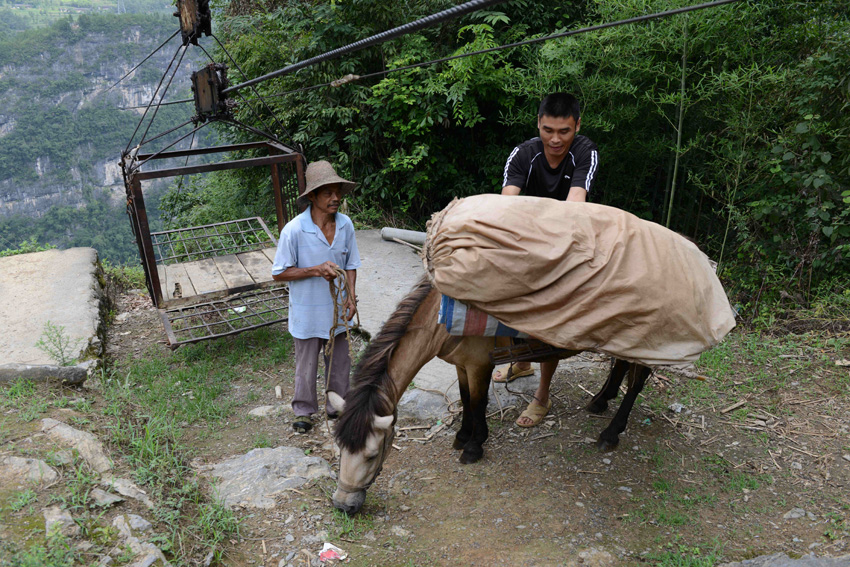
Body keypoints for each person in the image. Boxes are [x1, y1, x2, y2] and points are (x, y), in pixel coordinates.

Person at [493, 92, 599, 428]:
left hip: (571, 239)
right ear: (538, 123)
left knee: (551, 317)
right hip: (527, 239)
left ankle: (543, 395)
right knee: (505, 292)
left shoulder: (585, 152)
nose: (555, 139)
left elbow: (575, 205)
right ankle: (520, 362)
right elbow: (506, 206)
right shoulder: (524, 154)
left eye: (564, 131)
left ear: (577, 126)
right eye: (548, 129)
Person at [272, 160, 361, 433]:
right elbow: (279, 273)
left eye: (337, 192)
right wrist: (315, 270)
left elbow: (351, 265)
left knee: (340, 362)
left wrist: (351, 298)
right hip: (307, 311)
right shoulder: (295, 230)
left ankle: (336, 406)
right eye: (328, 193)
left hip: (337, 311)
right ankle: (303, 410)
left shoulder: (345, 225)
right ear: (312, 196)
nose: (335, 198)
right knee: (306, 365)